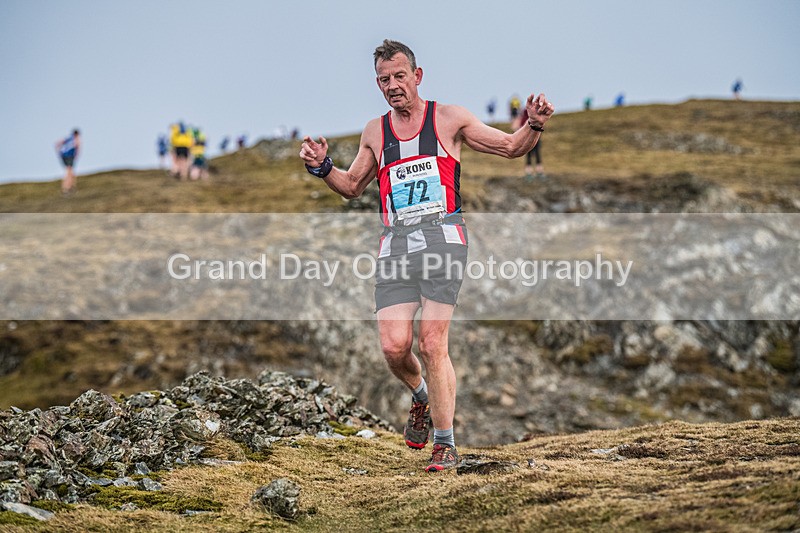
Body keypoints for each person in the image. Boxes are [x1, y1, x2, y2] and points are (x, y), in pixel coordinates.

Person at [299, 39, 554, 472]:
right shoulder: (375, 132)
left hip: (443, 239)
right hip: (396, 244)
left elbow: (512, 147)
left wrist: (534, 124)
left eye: (400, 76)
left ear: (417, 76)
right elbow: (351, 186)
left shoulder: (450, 119)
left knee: (432, 343)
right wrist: (322, 166)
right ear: (377, 85)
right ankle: (421, 396)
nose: (393, 85)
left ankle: (445, 444)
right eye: (384, 80)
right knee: (393, 347)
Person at [514, 108, 545, 181]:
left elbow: (520, 128)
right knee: (536, 155)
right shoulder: (535, 117)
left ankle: (530, 173)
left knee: (531, 156)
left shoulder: (525, 118)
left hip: (529, 140)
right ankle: (538, 172)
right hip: (534, 139)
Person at [56, 129, 81, 195]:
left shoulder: (68, 138)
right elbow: (77, 146)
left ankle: (68, 187)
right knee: (69, 172)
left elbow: (57, 144)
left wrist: (59, 153)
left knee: (69, 171)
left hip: (63, 156)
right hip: (69, 156)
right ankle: (67, 188)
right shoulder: (76, 139)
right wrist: (76, 155)